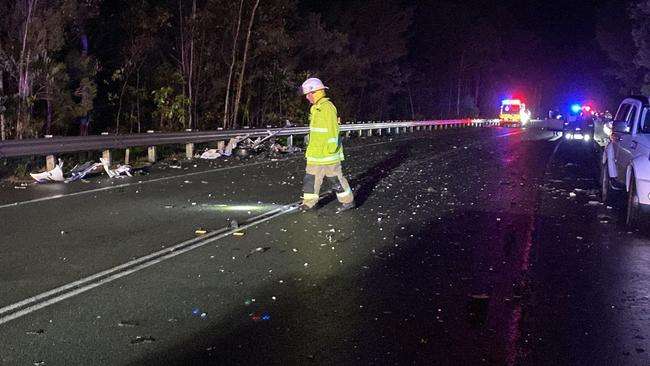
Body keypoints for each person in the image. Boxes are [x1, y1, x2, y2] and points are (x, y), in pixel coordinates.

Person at [299, 77, 355, 212]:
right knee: (311, 178)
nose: (307, 97)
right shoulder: (315, 108)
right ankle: (309, 203)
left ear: (315, 92)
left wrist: (331, 149)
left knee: (335, 178)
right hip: (315, 153)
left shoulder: (327, 108)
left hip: (329, 153)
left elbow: (333, 130)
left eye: (308, 94)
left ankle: (348, 201)